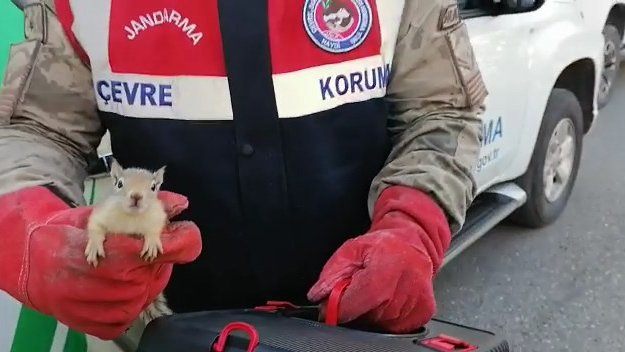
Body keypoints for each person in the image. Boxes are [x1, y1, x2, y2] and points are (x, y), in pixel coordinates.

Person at [0, 0, 487, 349]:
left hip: (357, 325)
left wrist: (412, 226)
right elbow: (38, 127)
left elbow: (439, 111)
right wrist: (29, 228)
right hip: (167, 327)